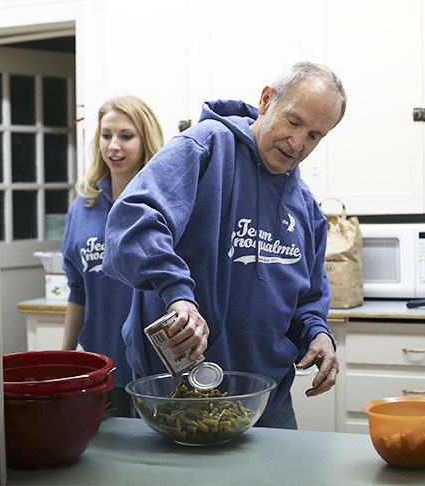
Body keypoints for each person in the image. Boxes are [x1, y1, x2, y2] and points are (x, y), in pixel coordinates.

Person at [103, 62, 346, 428]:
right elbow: (130, 228)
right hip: (178, 395)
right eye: (293, 122)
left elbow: (309, 299)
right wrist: (178, 294)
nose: (298, 143)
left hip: (266, 403)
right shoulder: (204, 147)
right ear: (266, 101)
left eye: (314, 136)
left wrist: (318, 335)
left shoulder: (307, 209)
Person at [61, 95, 164, 417]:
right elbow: (78, 291)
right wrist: (64, 359)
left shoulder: (164, 204)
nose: (114, 146)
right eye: (106, 135)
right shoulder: (83, 207)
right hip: (100, 367)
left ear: (145, 139)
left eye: (126, 136)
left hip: (157, 369)